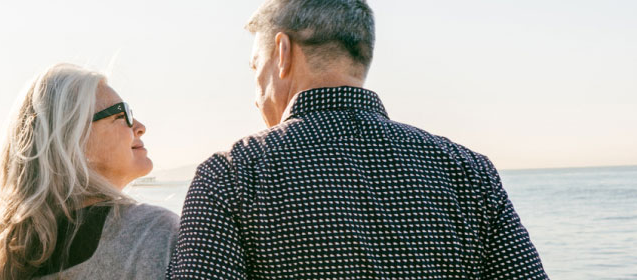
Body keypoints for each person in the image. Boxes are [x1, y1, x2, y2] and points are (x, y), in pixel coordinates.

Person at [166, 1, 549, 279]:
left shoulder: (230, 175)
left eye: (256, 67)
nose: (256, 95)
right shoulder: (468, 171)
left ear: (282, 53)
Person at [0, 63, 178, 279]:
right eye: (122, 114)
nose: (140, 127)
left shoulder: (0, 250)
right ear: (73, 140)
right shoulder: (150, 231)